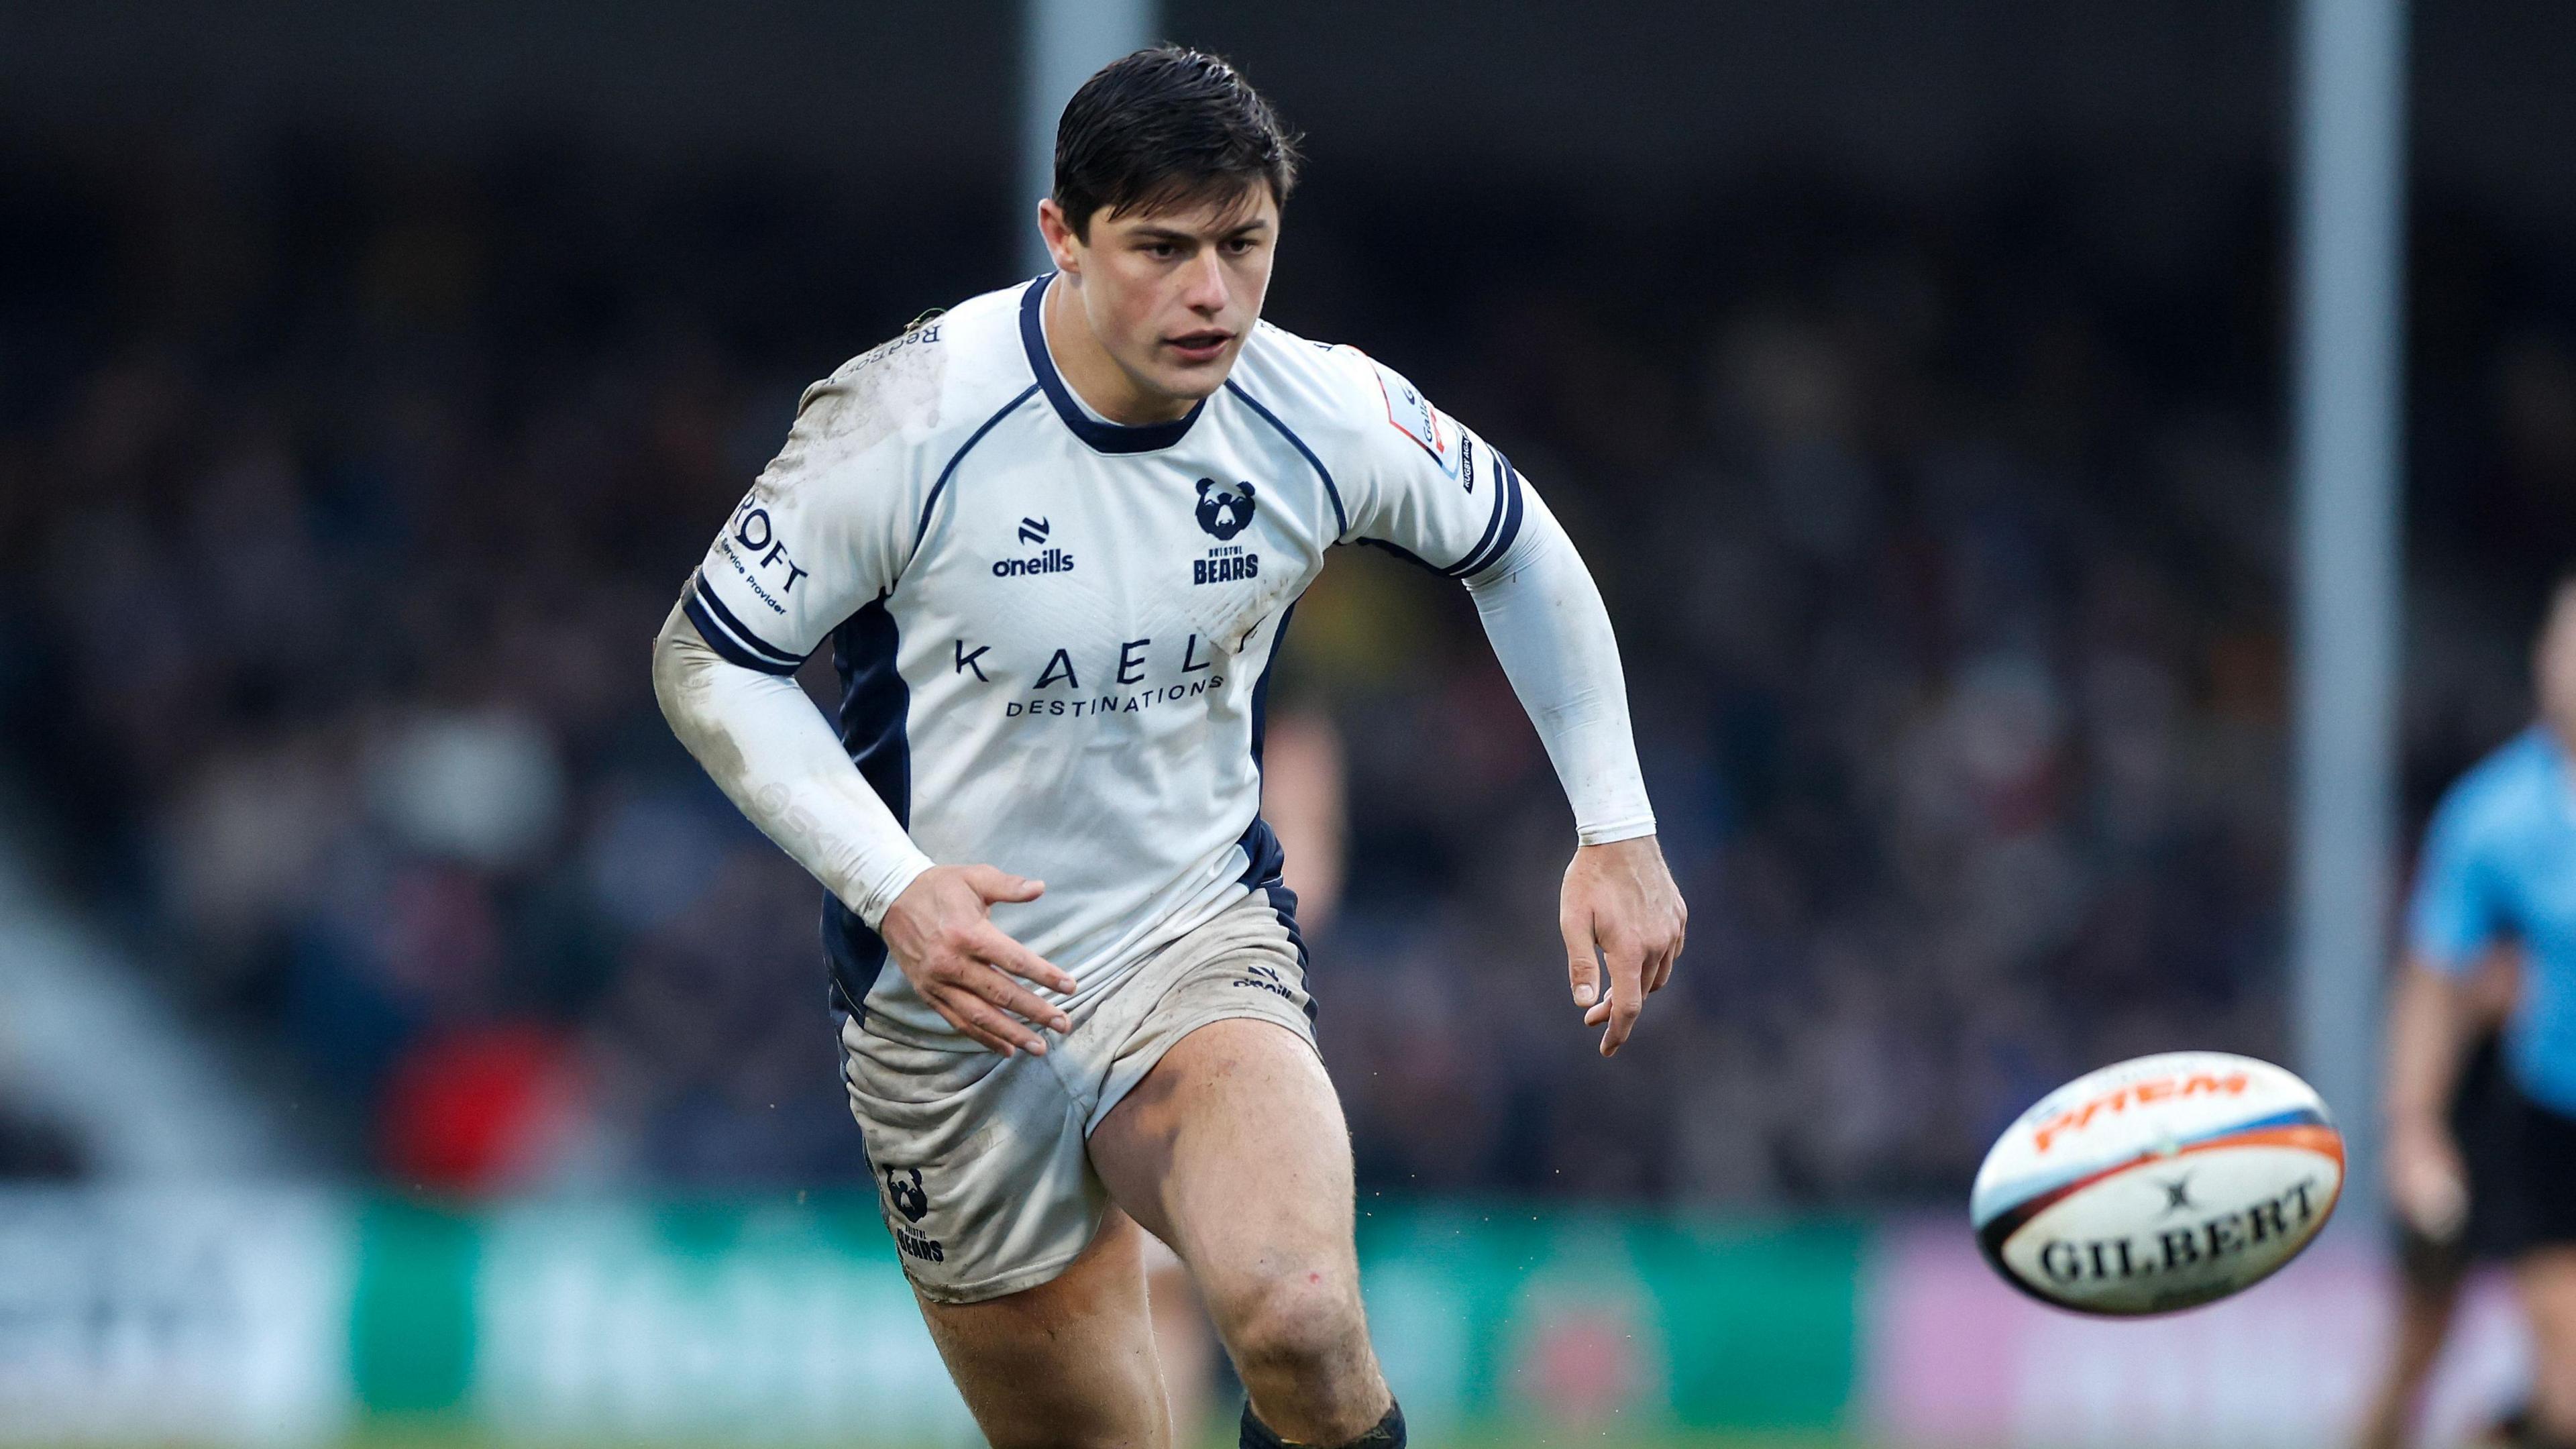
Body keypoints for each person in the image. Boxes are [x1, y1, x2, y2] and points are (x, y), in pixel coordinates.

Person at [651, 46, 1685, 1449]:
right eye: (1162, 248)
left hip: (1193, 942)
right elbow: (710, 655)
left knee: (1301, 1319)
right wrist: (898, 885)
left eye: (1244, 244)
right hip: (945, 1004)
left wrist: (1615, 827)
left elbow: (1516, 545)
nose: (1211, 293)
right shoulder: (911, 414)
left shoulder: (1316, 407)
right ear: (1062, 237)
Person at [2387, 574, 2576, 1449]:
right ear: (2543, 660)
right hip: (2543, 1124)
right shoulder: (2490, 819)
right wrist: (2414, 1129)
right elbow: (2433, 981)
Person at [2358, 944, 2521, 1449]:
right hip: (2457, 1133)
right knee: (2417, 1345)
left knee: (2562, 1352)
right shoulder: (2489, 873)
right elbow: (2432, 981)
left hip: (2546, 1142)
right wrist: (2412, 1133)